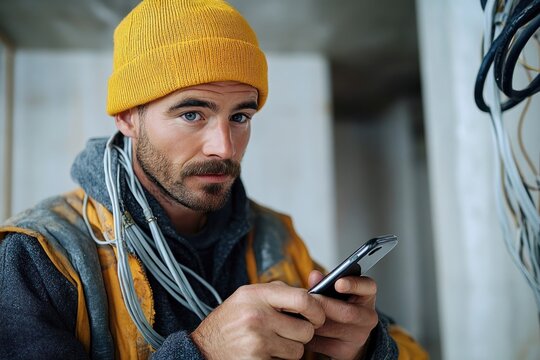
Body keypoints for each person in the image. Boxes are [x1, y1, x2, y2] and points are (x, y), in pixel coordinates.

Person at [0, 0, 428, 359]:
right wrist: (202, 350)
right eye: (192, 114)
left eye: (240, 116)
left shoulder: (274, 237)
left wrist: (366, 348)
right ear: (128, 117)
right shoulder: (37, 258)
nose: (224, 147)